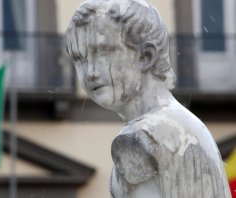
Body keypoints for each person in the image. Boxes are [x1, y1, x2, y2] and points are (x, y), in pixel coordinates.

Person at [65, 0, 231, 197]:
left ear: (146, 56)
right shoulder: (185, 125)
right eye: (79, 58)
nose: (90, 72)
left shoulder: (140, 137)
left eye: (103, 52)